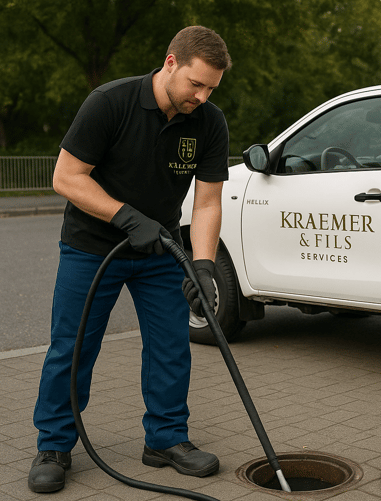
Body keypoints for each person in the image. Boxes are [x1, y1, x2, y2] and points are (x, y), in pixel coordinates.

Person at [29, 26, 232, 493]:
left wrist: (202, 265)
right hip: (91, 248)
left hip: (161, 250)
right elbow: (66, 176)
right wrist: (124, 216)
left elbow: (207, 202)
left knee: (170, 347)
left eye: (211, 89)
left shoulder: (209, 122)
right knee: (73, 347)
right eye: (195, 84)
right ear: (170, 63)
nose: (201, 97)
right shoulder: (110, 102)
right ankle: (55, 444)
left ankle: (165, 439)